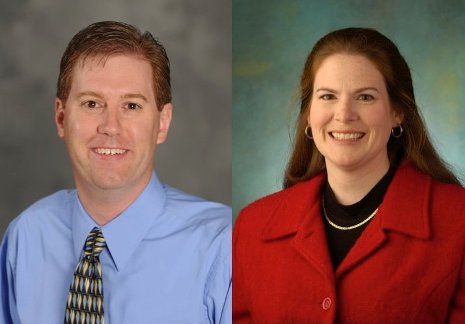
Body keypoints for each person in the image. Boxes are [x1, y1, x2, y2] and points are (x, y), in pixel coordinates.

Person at [0, 21, 231, 324]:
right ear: (60, 117)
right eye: (92, 103)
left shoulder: (222, 247)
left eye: (132, 106)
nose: (110, 127)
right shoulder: (26, 237)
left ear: (162, 122)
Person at [233, 27, 465, 323]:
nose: (344, 114)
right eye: (328, 96)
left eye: (365, 97)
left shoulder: (458, 221)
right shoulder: (252, 227)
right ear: (309, 114)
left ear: (397, 112)